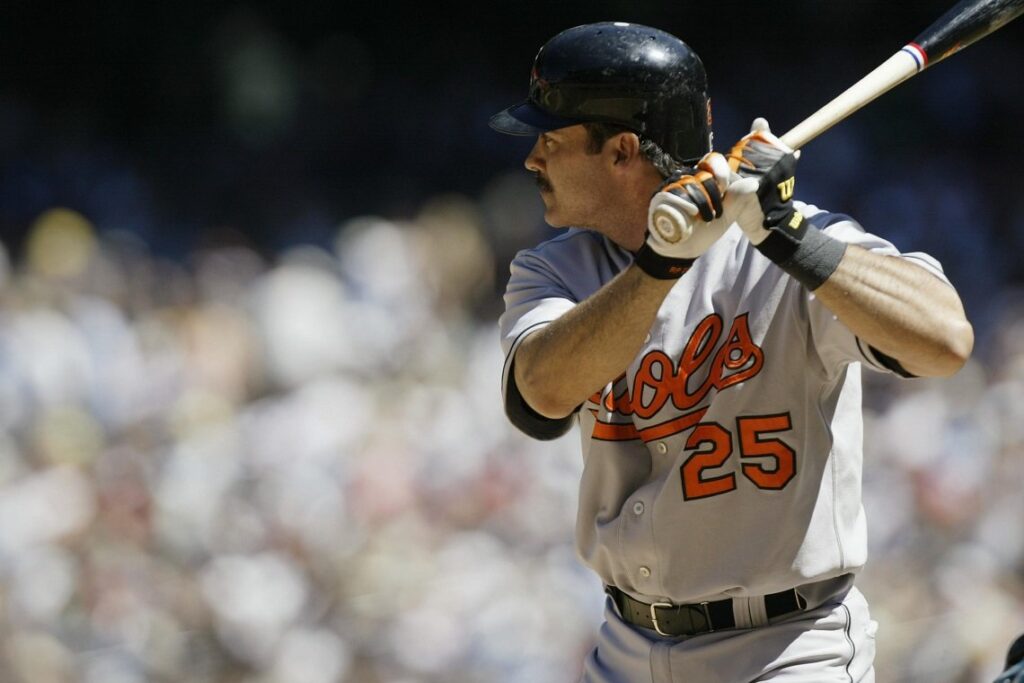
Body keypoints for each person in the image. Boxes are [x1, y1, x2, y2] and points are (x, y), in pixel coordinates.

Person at [489, 21, 974, 683]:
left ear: (622, 150)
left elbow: (946, 340)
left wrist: (789, 236)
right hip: (626, 647)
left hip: (790, 647)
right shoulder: (553, 271)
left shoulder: (788, 247)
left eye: (551, 138)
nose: (531, 159)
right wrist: (661, 265)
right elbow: (539, 396)